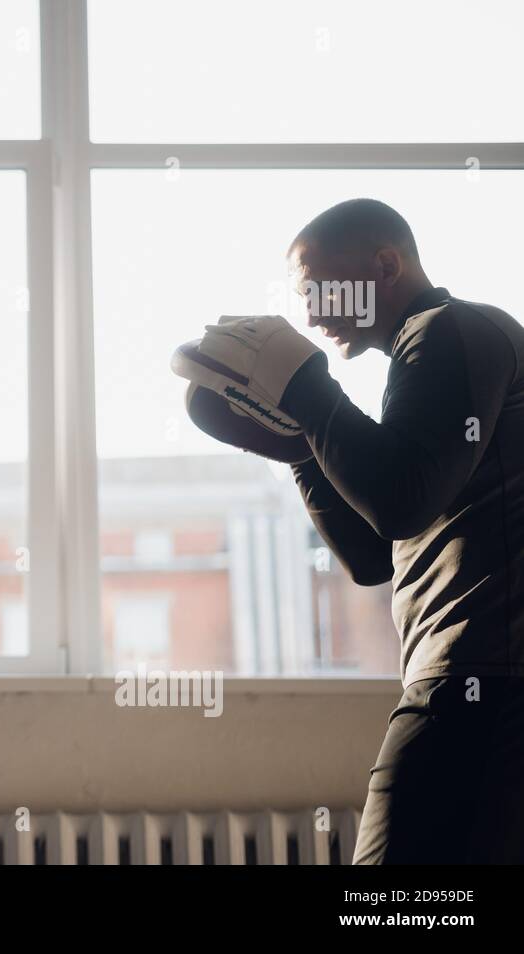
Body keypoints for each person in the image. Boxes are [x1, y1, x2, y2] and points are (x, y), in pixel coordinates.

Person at [175, 198, 524, 863]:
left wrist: (306, 387)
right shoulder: (427, 363)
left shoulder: (451, 330)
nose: (308, 314)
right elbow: (374, 555)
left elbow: (399, 502)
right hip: (472, 679)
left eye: (317, 290)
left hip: (482, 681)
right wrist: (305, 449)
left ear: (384, 264)